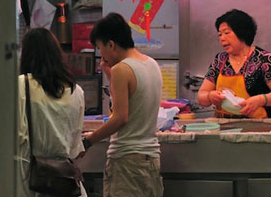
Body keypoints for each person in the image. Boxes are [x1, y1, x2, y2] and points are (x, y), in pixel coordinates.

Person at [83, 12, 163, 197]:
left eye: (99, 47)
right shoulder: (151, 64)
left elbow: (120, 118)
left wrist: (88, 141)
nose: (100, 54)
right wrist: (109, 72)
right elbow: (131, 98)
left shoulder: (122, 69)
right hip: (150, 159)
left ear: (111, 44)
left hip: (127, 161)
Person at [16, 28, 87, 197]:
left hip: (30, 181)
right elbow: (74, 149)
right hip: (64, 183)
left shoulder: (21, 85)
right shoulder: (76, 91)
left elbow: (16, 136)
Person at [197, 9, 271, 118]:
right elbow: (201, 96)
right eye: (219, 34)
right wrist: (210, 96)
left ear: (242, 32)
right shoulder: (219, 60)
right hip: (225, 129)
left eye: (226, 33)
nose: (222, 38)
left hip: (258, 128)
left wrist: (261, 100)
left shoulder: (263, 58)